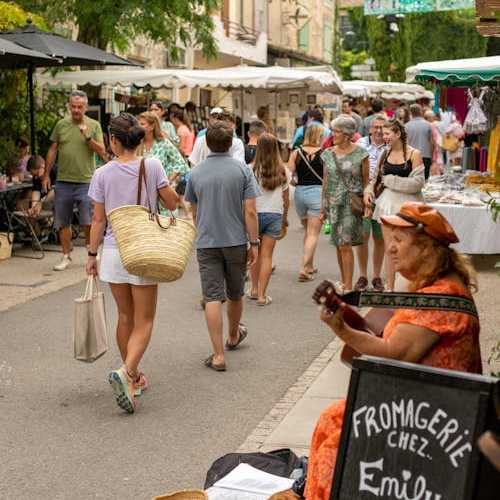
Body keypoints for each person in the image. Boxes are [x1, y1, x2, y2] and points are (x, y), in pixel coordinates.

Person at [303, 202, 482, 500]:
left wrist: (343, 330)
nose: (390, 249)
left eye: (400, 241)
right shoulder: (435, 288)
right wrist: (346, 314)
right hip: (424, 406)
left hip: (438, 419)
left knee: (336, 439)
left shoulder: (442, 298)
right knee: (332, 418)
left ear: (427, 248)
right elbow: (386, 336)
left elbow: (394, 353)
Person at [86, 113, 178, 414]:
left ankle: (133, 377)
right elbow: (172, 202)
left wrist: (90, 255)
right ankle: (127, 372)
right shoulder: (150, 165)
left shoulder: (102, 174)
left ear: (113, 140)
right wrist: (168, 189)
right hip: (144, 249)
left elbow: (98, 220)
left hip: (112, 252)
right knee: (145, 319)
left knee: (125, 316)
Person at [184, 121, 260, 372]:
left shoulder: (195, 173)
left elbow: (193, 211)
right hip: (236, 240)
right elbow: (250, 210)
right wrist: (254, 242)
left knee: (212, 296)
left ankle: (217, 355)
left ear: (207, 143)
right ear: (231, 144)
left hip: (207, 241)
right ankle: (233, 336)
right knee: (236, 292)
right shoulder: (242, 171)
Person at [44, 90, 106, 271]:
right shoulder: (61, 125)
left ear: (85, 107)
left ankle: (90, 250)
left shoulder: (93, 125)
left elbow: (102, 150)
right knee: (62, 221)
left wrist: (87, 137)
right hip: (63, 181)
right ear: (69, 106)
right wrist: (47, 174)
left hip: (86, 180)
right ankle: (65, 256)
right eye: (73, 106)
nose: (76, 110)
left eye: (80, 107)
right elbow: (53, 149)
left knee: (88, 220)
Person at [365, 118, 425, 291]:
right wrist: (369, 191)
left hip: (409, 206)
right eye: (382, 133)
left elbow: (418, 182)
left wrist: (391, 180)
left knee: (410, 247)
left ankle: (411, 286)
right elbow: (374, 179)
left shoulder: (414, 154)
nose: (384, 137)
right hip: (387, 206)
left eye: (387, 133)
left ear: (398, 134)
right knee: (390, 249)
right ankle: (390, 288)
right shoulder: (385, 154)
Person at [320, 115, 369, 294]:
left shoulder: (361, 154)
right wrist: (322, 206)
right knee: (338, 244)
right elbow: (325, 181)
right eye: (333, 130)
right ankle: (344, 281)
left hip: (351, 203)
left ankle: (348, 287)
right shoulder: (327, 153)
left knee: (345, 244)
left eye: (337, 131)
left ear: (347, 133)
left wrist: (367, 204)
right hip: (334, 203)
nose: (333, 134)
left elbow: (366, 182)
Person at [248, 133, 289, 306]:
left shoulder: (250, 169)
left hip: (254, 215)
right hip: (274, 215)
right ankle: (262, 296)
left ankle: (254, 289)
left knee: (254, 255)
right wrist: (285, 220)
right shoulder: (283, 170)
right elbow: (286, 200)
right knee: (267, 257)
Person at [288, 124, 324, 282]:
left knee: (307, 232)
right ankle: (303, 268)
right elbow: (328, 177)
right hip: (317, 193)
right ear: (318, 136)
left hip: (300, 194)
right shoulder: (324, 154)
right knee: (313, 233)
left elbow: (290, 175)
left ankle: (309, 265)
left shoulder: (296, 153)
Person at [355, 114, 386, 292]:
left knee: (379, 237)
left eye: (382, 127)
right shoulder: (361, 145)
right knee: (362, 237)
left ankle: (376, 276)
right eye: (376, 127)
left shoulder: (390, 145)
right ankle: (362, 275)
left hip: (382, 196)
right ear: (370, 129)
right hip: (362, 195)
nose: (379, 130)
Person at [137, 112, 189, 186]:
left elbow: (180, 163)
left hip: (160, 190)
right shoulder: (137, 143)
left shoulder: (163, 143)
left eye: (142, 124)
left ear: (152, 126)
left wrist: (168, 181)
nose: (138, 127)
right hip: (141, 189)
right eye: (138, 124)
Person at [406, 103, 434, 180]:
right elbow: (432, 142)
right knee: (425, 179)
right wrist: (431, 156)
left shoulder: (406, 126)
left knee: (412, 179)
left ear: (411, 113)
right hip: (425, 155)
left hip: (411, 157)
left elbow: (405, 143)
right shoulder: (428, 125)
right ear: (421, 112)